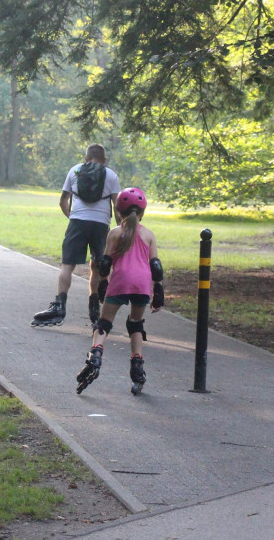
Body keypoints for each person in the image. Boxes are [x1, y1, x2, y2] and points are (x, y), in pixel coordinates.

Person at [75, 187, 164, 396]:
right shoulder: (149, 235)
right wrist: (159, 288)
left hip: (121, 280)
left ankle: (95, 355)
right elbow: (156, 266)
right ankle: (137, 368)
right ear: (143, 212)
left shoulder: (114, 233)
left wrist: (103, 282)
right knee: (135, 324)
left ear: (118, 211)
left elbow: (104, 263)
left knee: (104, 323)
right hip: (142, 283)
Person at [32, 144, 120, 327]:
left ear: (86, 158)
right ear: (104, 160)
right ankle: (95, 309)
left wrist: (72, 217)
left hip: (77, 222)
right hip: (101, 224)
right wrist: (120, 227)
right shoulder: (111, 175)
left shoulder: (75, 170)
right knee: (96, 267)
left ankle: (59, 306)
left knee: (67, 265)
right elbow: (117, 206)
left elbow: (63, 200)